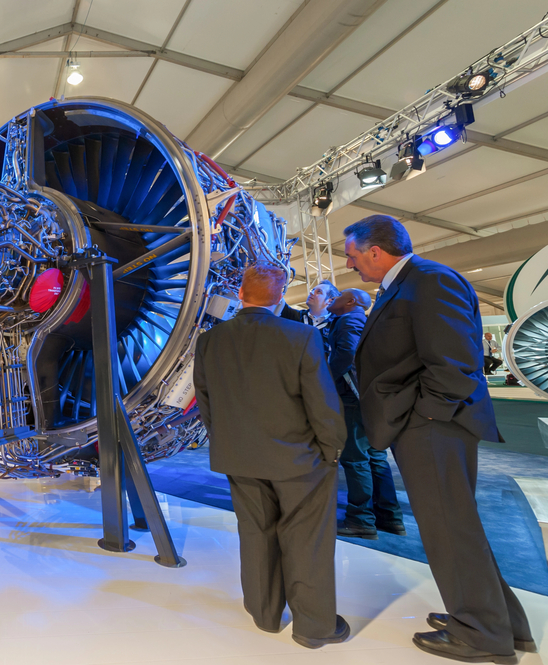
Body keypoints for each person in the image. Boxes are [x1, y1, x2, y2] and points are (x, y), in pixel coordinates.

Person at [345, 215, 534, 663]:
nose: (350, 264)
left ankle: (481, 635)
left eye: (352, 255)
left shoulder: (429, 280)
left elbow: (456, 362)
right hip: (428, 426)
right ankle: (502, 624)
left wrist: (424, 416)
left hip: (432, 427)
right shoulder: (407, 284)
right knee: (455, 527)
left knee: (449, 530)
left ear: (375, 251)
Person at [194, 263, 349, 649]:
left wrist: (227, 442)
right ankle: (313, 627)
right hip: (299, 459)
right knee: (307, 539)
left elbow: (206, 402)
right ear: (280, 298)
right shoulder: (302, 336)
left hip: (239, 457)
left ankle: (264, 614)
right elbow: (322, 402)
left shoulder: (211, 341)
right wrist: (332, 449)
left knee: (255, 533)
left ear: (240, 293)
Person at [326, 289, 404, 540]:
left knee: (356, 459)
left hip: (353, 398)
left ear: (351, 301)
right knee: (375, 457)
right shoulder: (363, 320)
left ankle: (360, 520)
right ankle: (389, 517)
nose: (332, 299)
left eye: (338, 296)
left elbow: (347, 353)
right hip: (368, 398)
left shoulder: (349, 320)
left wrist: (325, 379)